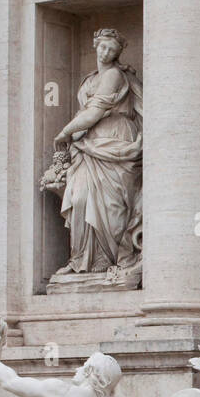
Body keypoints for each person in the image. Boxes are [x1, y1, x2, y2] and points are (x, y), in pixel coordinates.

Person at [52, 28, 144, 275]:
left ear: (117, 54)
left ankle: (109, 260)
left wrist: (65, 133)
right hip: (88, 143)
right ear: (95, 45)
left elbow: (94, 113)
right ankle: (82, 259)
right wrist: (76, 135)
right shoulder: (89, 79)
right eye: (103, 47)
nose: (106, 52)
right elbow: (87, 114)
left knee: (112, 205)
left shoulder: (114, 75)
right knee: (80, 197)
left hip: (114, 138)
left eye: (112, 50)